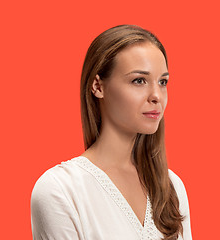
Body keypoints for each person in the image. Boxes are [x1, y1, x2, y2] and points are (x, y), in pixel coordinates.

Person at [30, 24, 192, 240]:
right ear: (98, 86)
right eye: (139, 80)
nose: (157, 96)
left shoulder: (171, 187)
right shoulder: (60, 190)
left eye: (163, 82)